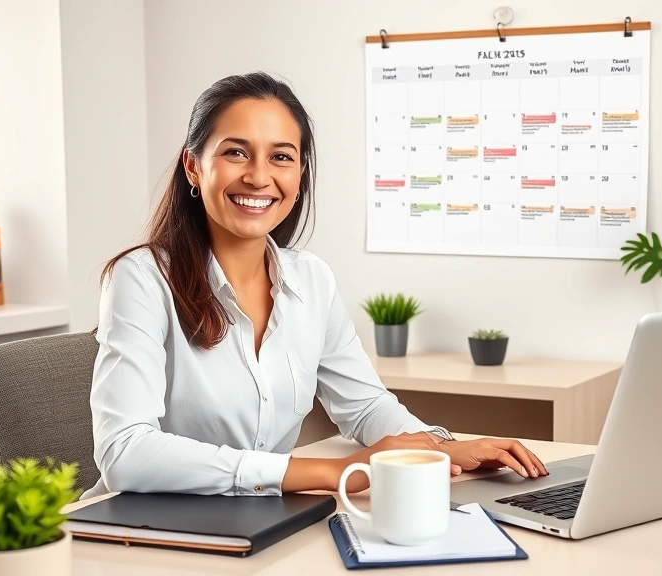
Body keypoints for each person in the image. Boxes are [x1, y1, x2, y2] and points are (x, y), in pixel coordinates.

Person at [82, 72, 547, 499]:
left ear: (299, 175)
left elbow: (364, 406)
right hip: (142, 527)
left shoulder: (312, 280)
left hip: (254, 520)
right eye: (235, 152)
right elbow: (126, 453)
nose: (259, 176)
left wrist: (439, 448)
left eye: (281, 157)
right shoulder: (141, 278)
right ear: (192, 166)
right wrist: (333, 472)